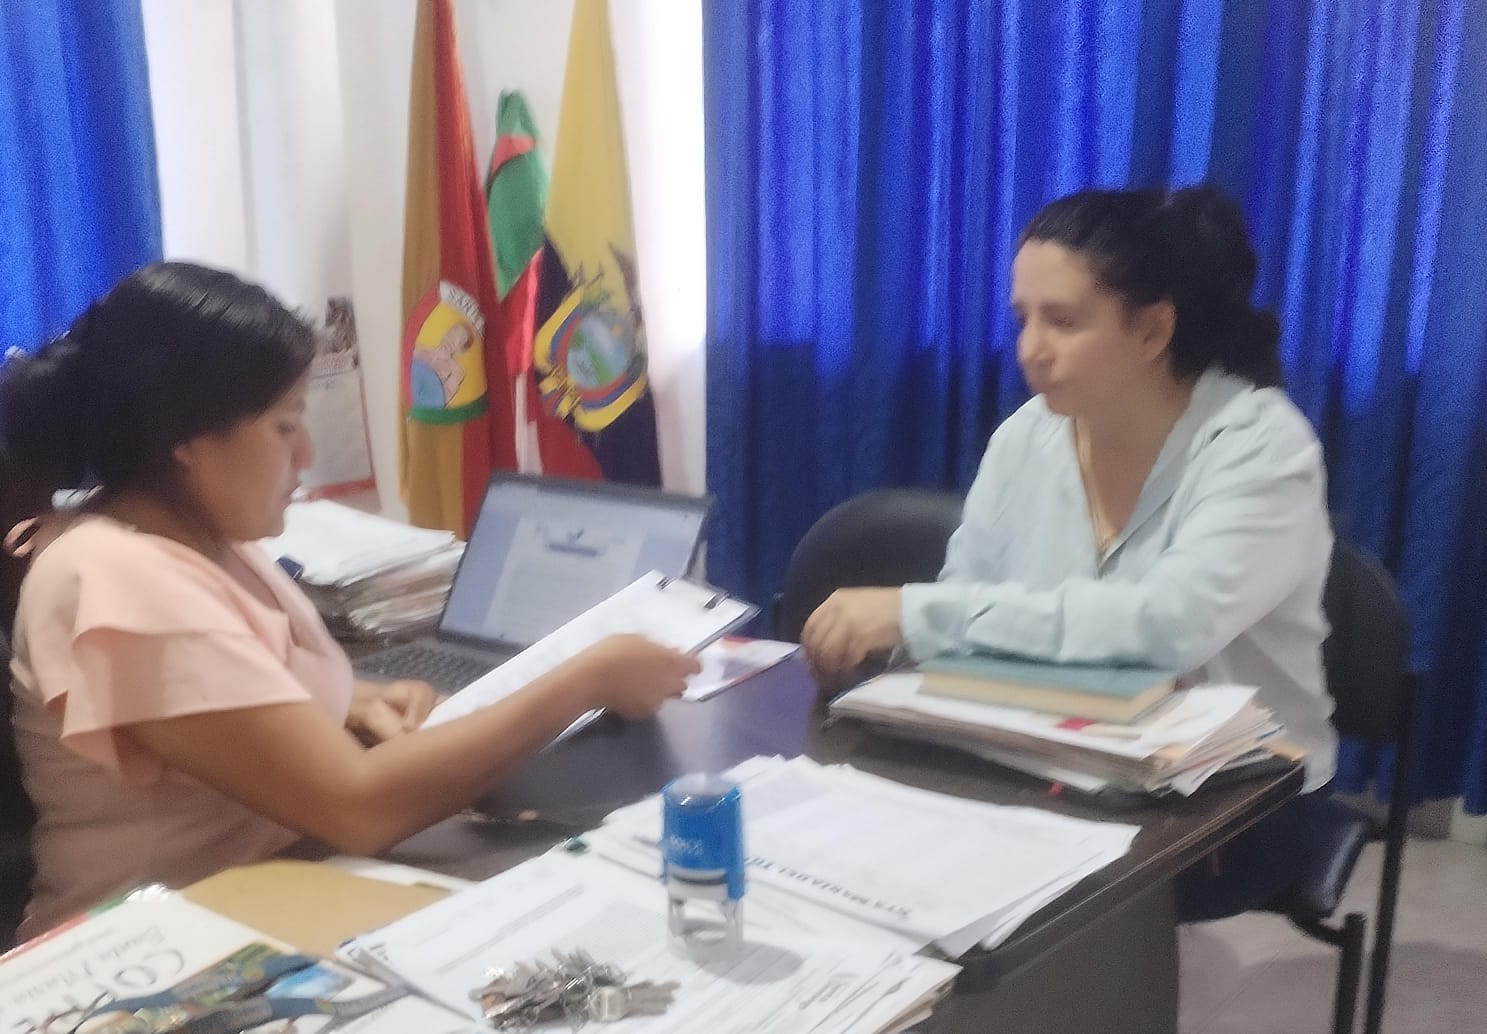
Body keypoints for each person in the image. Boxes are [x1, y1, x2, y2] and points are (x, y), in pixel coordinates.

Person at [0, 262, 699, 941]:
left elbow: (228, 686)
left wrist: (350, 698)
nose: (306, 453)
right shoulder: (115, 579)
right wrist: (588, 679)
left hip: (271, 899)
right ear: (188, 438)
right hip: (152, 954)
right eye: (284, 425)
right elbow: (359, 807)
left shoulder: (202, 538)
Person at [801, 186, 1337, 920]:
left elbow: (1166, 626)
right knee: (883, 841)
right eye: (1022, 318)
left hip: (1237, 798)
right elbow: (962, 611)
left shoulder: (1261, 446)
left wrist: (914, 613)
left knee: (1016, 897)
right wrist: (904, 641)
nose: (1030, 349)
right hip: (1053, 751)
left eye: (1062, 321)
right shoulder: (1026, 437)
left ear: (1153, 330)